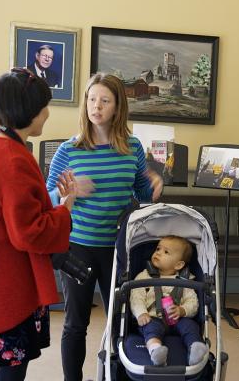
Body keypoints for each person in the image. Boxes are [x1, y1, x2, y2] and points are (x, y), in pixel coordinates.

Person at [0, 68, 76, 381]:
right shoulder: (12, 158)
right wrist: (66, 209)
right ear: (29, 112)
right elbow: (29, 232)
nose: (47, 114)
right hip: (9, 284)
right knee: (12, 374)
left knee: (7, 372)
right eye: (43, 108)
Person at [45, 73, 163, 381]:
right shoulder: (68, 150)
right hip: (78, 248)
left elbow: (140, 191)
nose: (96, 106)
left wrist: (153, 186)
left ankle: (118, 375)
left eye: (105, 101)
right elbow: (45, 197)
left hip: (119, 249)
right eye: (92, 99)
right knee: (75, 324)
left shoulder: (132, 147)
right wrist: (66, 193)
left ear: (117, 107)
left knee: (121, 321)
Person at [130, 236, 209, 366]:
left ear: (179, 264)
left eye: (166, 252)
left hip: (177, 319)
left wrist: (182, 310)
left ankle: (195, 349)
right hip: (152, 317)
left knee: (191, 326)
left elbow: (192, 302)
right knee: (150, 329)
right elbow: (136, 297)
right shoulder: (144, 277)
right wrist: (141, 313)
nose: (158, 252)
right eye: (158, 249)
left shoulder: (186, 281)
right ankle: (156, 351)